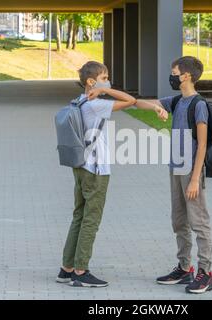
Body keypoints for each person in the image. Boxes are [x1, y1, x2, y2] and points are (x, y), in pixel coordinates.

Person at [57, 61, 168, 287]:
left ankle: (67, 268)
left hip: (81, 167)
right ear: (91, 82)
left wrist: (155, 107)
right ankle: (80, 271)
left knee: (79, 216)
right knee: (91, 220)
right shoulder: (95, 104)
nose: (108, 80)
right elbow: (129, 100)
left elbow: (135, 103)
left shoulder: (79, 101)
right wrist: (105, 90)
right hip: (96, 170)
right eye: (105, 77)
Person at [135, 56, 212, 294]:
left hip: (191, 171)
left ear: (186, 76)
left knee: (199, 222)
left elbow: (202, 145)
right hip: (176, 167)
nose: (171, 76)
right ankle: (184, 267)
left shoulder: (198, 105)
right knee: (179, 220)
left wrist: (194, 179)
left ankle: (205, 273)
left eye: (174, 72)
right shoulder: (177, 101)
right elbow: (145, 104)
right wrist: (124, 99)